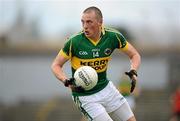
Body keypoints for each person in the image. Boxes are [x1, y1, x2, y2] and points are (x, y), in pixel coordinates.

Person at [51, 6, 141, 121]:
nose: (85, 26)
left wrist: (134, 71)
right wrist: (66, 81)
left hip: (106, 89)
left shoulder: (113, 37)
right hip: (85, 97)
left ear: (100, 22)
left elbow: (134, 55)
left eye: (89, 22)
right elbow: (56, 65)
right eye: (82, 22)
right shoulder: (74, 42)